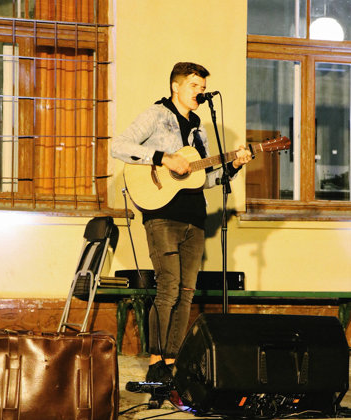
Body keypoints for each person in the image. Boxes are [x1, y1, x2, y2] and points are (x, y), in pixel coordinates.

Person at [111, 62, 252, 383]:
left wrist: (235, 165)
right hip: (162, 215)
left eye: (203, 88)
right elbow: (118, 146)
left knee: (186, 292)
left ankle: (172, 362)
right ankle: (155, 363)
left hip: (195, 218)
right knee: (168, 289)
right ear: (176, 86)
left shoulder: (199, 128)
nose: (199, 93)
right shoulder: (157, 114)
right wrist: (163, 157)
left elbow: (205, 179)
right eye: (194, 86)